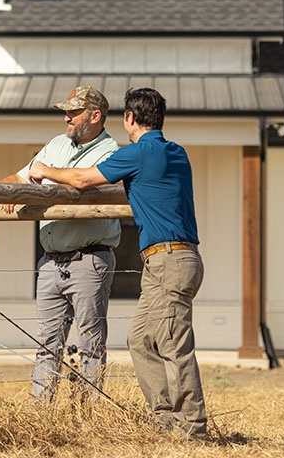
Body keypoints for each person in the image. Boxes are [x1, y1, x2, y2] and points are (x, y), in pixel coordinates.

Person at [27, 87, 208, 439]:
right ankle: (166, 420)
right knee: (140, 340)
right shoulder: (176, 151)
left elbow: (81, 179)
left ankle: (194, 430)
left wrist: (43, 168)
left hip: (169, 259)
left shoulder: (138, 153)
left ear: (129, 119)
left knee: (173, 343)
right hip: (170, 260)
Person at [0, 86, 122, 401]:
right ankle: (41, 414)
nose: (67, 118)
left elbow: (81, 181)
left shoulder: (111, 151)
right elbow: (19, 178)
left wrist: (45, 172)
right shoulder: (56, 144)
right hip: (50, 260)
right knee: (47, 343)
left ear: (95, 115)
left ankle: (88, 414)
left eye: (74, 112)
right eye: (67, 112)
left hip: (89, 259)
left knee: (90, 342)